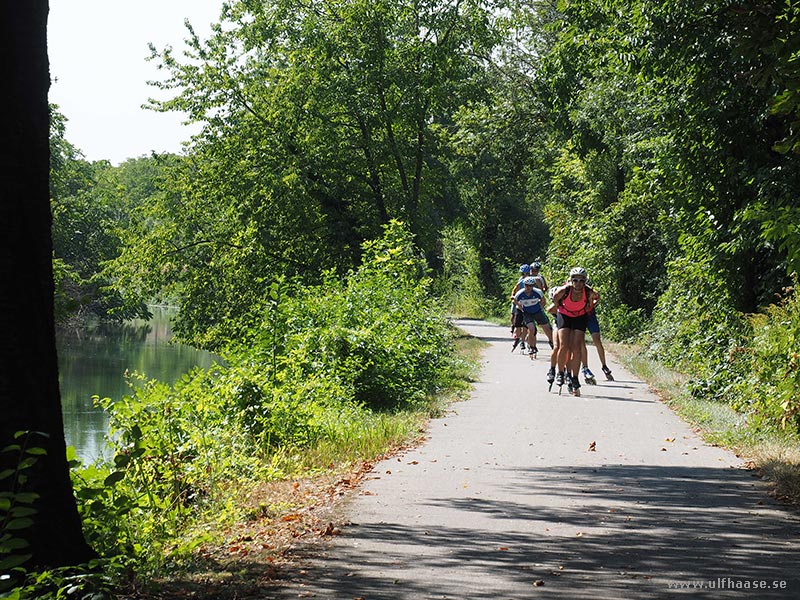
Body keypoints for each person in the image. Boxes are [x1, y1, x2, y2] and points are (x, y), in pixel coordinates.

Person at [550, 267, 599, 396]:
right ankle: (560, 372)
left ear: (585, 281)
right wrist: (559, 307)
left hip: (580, 316)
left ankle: (575, 377)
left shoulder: (588, 291)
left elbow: (596, 297)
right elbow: (555, 298)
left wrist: (590, 306)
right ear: (571, 280)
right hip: (565, 315)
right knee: (564, 345)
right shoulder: (565, 290)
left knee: (576, 348)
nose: (578, 283)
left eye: (581, 280)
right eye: (575, 280)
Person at [513, 276, 554, 356]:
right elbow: (514, 300)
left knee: (547, 329)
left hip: (538, 312)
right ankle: (532, 346)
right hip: (527, 313)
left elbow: (543, 301)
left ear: (533, 285)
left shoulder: (538, 292)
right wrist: (520, 306)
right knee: (531, 329)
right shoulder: (520, 293)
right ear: (524, 285)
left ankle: (552, 342)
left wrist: (540, 307)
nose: (529, 287)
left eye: (531, 285)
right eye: (527, 285)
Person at [581, 307, 614, 382]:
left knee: (597, 340)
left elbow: (596, 297)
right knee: (581, 342)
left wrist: (591, 304)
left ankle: (604, 366)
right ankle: (585, 367)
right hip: (579, 316)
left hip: (590, 315)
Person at [510, 264, 531, 351]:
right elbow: (514, 291)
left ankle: (522, 341)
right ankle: (517, 337)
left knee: (526, 326)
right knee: (518, 324)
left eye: (525, 273)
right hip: (519, 304)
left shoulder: (533, 281)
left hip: (529, 306)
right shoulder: (521, 281)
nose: (524, 275)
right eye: (523, 274)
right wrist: (513, 297)